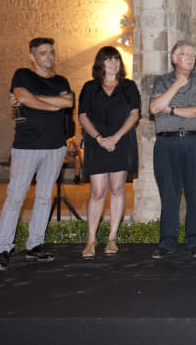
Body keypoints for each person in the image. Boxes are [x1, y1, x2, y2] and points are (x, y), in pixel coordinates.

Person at [0, 37, 74, 270]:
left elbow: (68, 102)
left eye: (51, 52)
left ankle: (35, 245)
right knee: (16, 196)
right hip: (27, 146)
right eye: (43, 53)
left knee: (44, 197)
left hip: (56, 147)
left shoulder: (61, 80)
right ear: (32, 56)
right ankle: (2, 248)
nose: (49, 56)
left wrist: (36, 101)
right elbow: (24, 97)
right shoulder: (23, 75)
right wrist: (52, 104)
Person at [149, 41, 196, 258]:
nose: (190, 58)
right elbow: (155, 108)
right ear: (174, 58)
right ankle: (167, 242)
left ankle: (195, 241)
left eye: (193, 55)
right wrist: (177, 85)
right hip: (167, 144)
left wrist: (172, 109)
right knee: (169, 194)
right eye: (185, 54)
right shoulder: (162, 81)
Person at [77, 46, 140, 258]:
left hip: (121, 141)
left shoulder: (128, 86)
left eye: (117, 59)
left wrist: (116, 137)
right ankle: (91, 239)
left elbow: (134, 114)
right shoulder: (89, 87)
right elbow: (83, 115)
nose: (114, 63)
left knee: (117, 188)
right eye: (109, 59)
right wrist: (98, 138)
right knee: (97, 191)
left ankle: (112, 238)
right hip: (97, 143)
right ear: (100, 63)